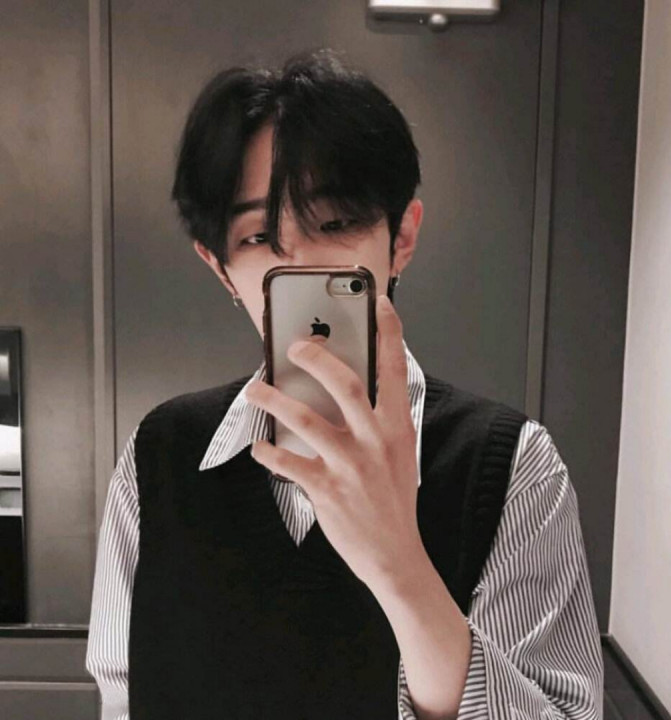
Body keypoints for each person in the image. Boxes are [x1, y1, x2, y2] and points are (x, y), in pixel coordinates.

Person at [86, 48, 603, 720]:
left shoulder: (512, 468)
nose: (299, 261)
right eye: (258, 236)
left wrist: (399, 565)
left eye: (335, 223)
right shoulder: (158, 456)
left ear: (401, 239)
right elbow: (124, 697)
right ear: (219, 268)